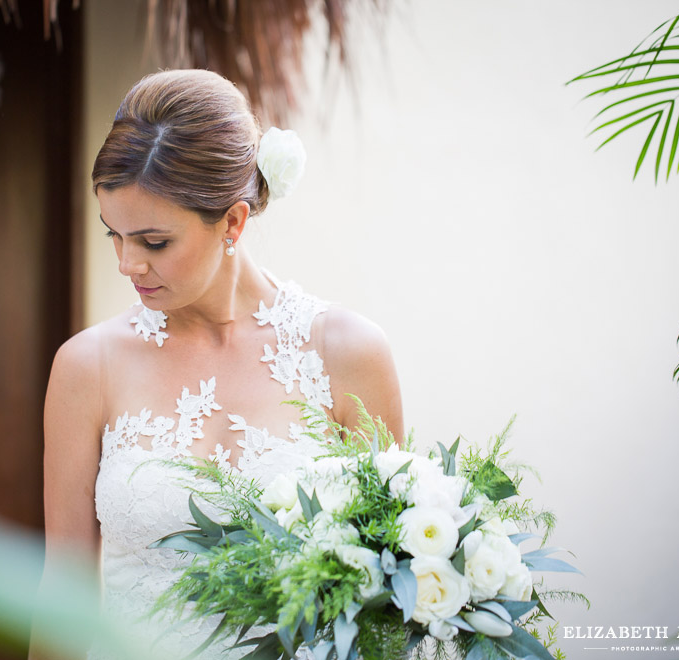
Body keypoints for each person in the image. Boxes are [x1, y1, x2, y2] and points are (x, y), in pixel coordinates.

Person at [30, 69, 403, 660]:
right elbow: (64, 596)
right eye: (114, 235)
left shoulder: (348, 353)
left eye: (153, 242)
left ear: (232, 221)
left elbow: (388, 592)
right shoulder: (86, 366)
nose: (128, 264)